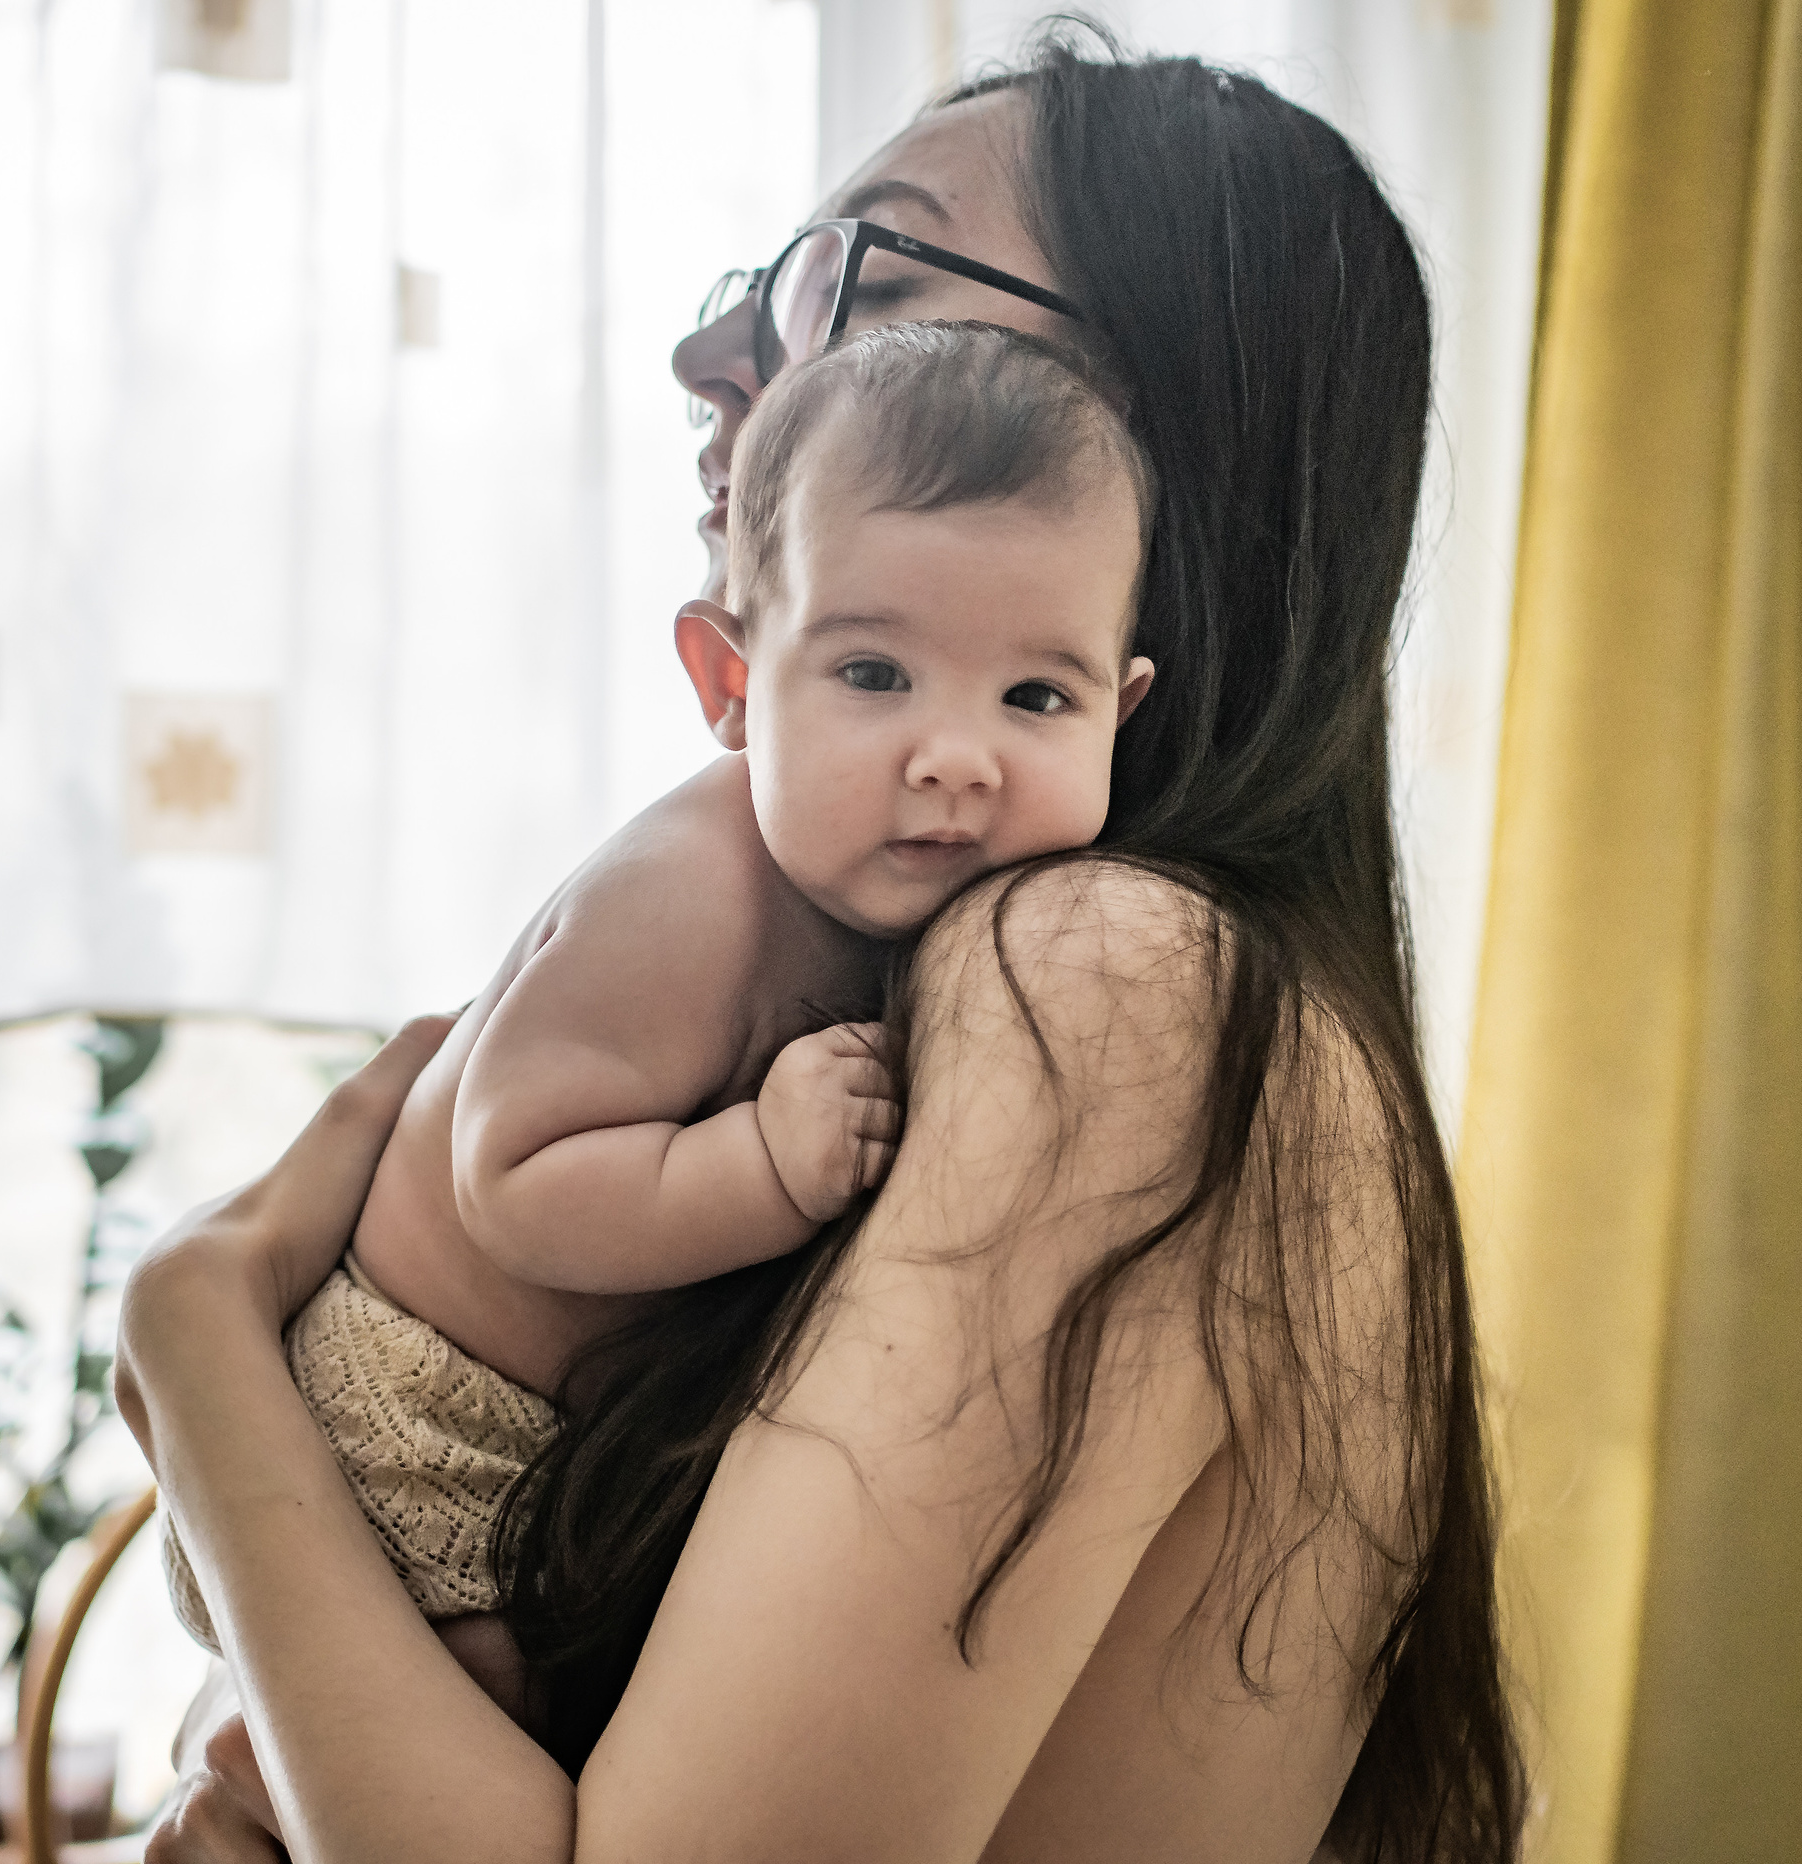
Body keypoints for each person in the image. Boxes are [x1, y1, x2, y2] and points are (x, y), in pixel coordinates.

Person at [116, 30, 1527, 1864]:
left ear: (1174, 440)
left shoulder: (1122, 989)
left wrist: (197, 1347)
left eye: (858, 276)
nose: (719, 357)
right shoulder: (1008, 989)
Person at [155, 321, 1156, 1700]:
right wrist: (757, 1164)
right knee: (489, 1756)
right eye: (874, 675)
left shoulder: (973, 917)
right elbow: (512, 1176)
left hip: (556, 1463)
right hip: (406, 1434)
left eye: (1036, 696)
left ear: (1124, 709)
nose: (956, 759)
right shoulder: (692, 894)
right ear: (729, 681)